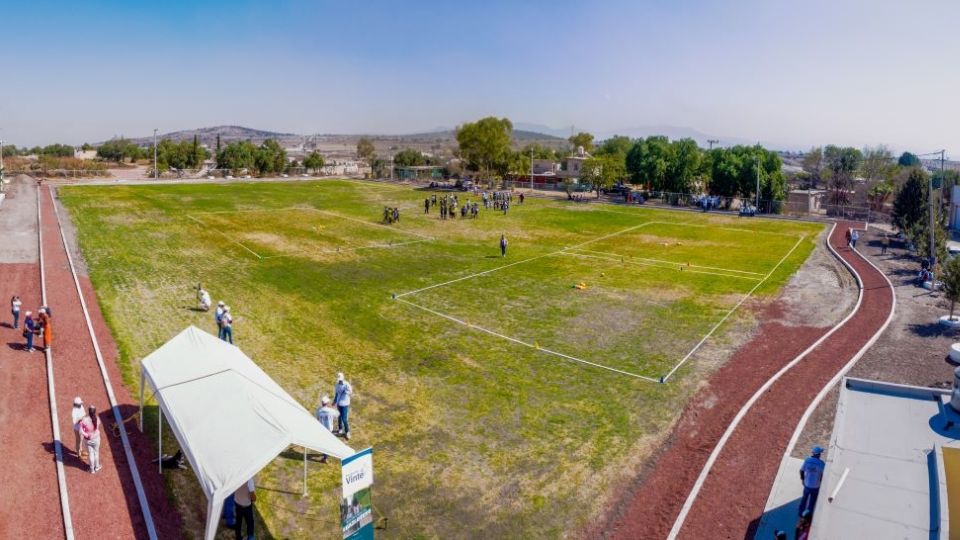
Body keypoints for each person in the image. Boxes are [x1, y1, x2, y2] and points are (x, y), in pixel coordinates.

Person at [799, 446, 825, 516]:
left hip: (807, 484)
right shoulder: (822, 464)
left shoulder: (807, 460)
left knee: (804, 499)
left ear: (813, 453)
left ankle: (800, 513)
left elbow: (801, 471)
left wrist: (803, 479)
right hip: (816, 486)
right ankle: (808, 515)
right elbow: (823, 475)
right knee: (812, 501)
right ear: (819, 454)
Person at [315, 395, 340, 463]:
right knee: (328, 443)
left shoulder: (318, 410)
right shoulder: (330, 411)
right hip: (329, 429)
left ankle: (325, 455)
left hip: (322, 429)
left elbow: (317, 418)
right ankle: (325, 457)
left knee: (324, 443)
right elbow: (338, 414)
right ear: (327, 403)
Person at [80, 405, 102, 473]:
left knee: (90, 453)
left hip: (88, 440)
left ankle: (92, 469)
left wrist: (86, 435)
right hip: (96, 438)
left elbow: (81, 431)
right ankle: (97, 467)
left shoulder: (84, 420)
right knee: (96, 453)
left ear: (88, 412)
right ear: (95, 412)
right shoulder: (97, 419)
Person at [334, 373, 352, 440]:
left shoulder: (347, 384)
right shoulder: (336, 385)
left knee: (344, 419)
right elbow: (336, 394)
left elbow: (350, 392)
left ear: (343, 378)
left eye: (340, 380)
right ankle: (340, 428)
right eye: (338, 380)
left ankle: (347, 432)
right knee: (339, 417)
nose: (339, 381)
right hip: (339, 404)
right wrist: (334, 402)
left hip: (345, 404)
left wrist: (346, 391)